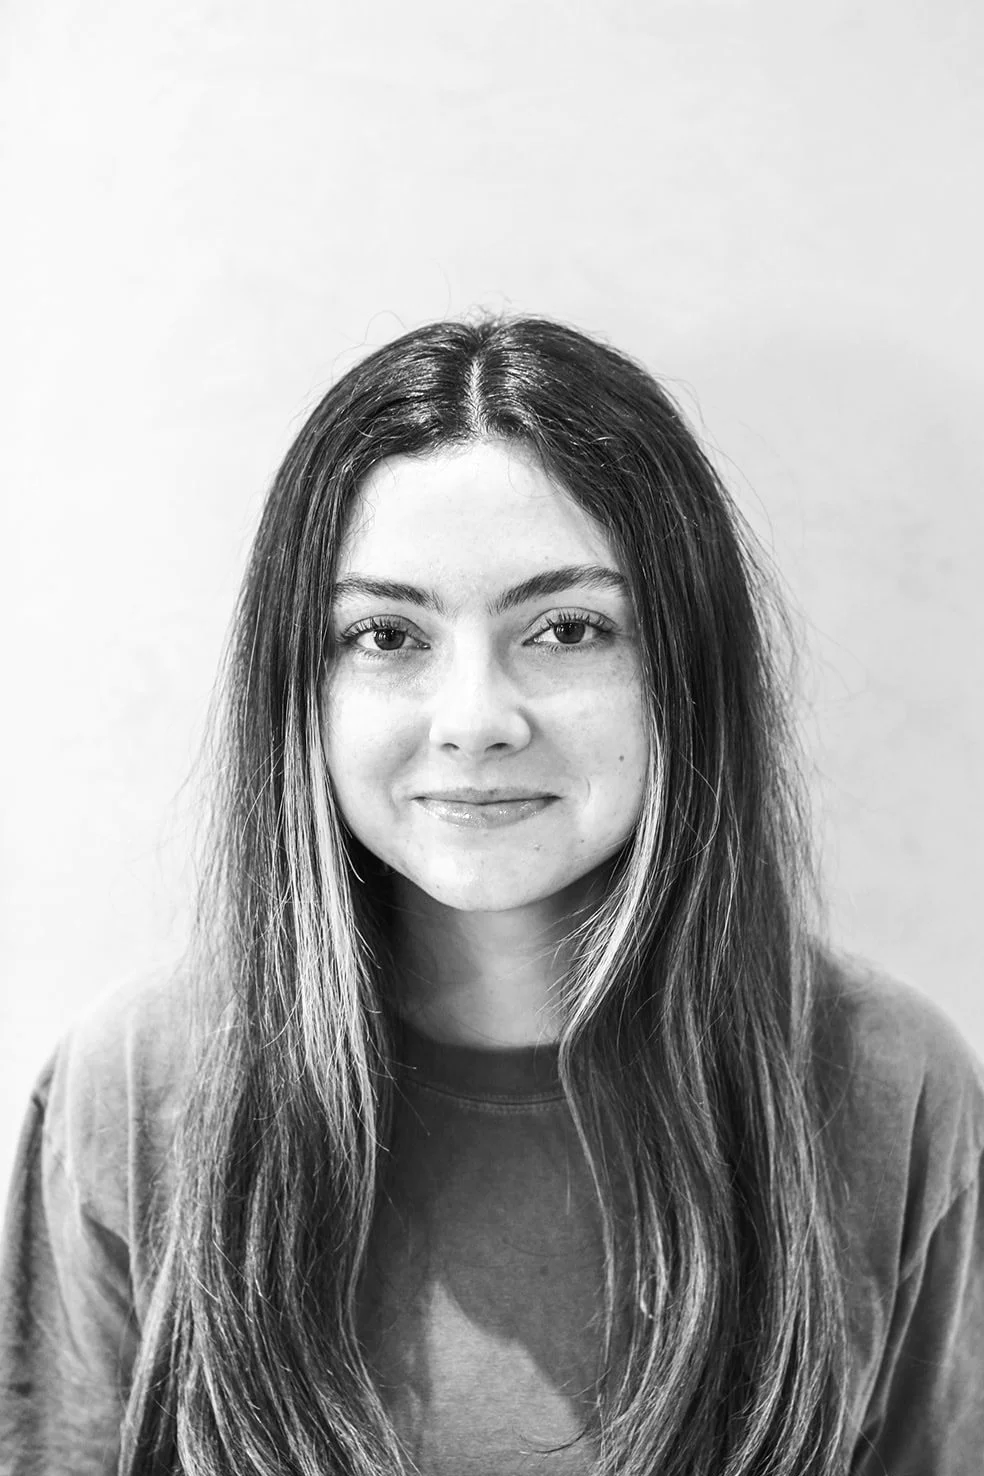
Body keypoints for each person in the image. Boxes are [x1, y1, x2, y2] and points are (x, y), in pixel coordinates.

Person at [1, 315, 981, 1476]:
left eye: (567, 629)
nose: (474, 719)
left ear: (687, 671)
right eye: (385, 634)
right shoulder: (134, 1086)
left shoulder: (887, 1086)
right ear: (301, 688)